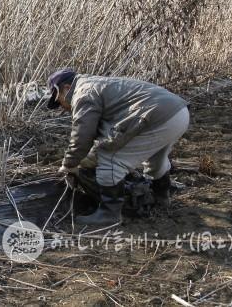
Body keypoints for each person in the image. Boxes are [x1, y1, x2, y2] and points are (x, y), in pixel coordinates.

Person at [46, 69, 189, 226]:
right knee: (156, 159)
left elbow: (82, 136)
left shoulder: (83, 93)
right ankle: (162, 198)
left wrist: (68, 165)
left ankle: (109, 214)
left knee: (109, 158)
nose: (61, 106)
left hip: (156, 116)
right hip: (179, 113)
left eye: (58, 100)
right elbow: (107, 132)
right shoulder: (96, 84)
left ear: (66, 88)